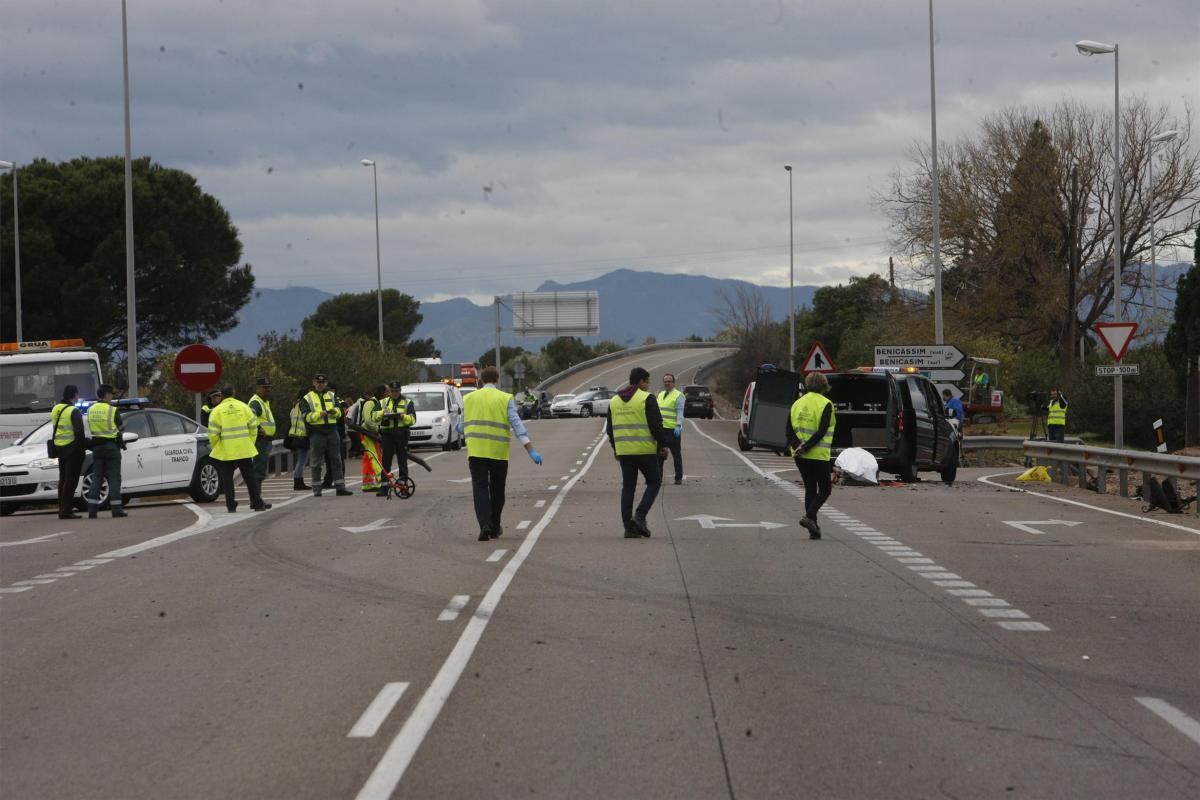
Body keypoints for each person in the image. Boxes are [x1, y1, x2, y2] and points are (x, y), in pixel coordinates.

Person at [463, 365, 542, 541]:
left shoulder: (468, 398)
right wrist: (530, 450)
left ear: (481, 380)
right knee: (497, 490)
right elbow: (516, 424)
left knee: (480, 489)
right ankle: (495, 525)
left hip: (476, 451)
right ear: (497, 380)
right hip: (498, 453)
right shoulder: (505, 398)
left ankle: (484, 525)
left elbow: (462, 425)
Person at [606, 366, 673, 538]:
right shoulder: (646, 398)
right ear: (641, 381)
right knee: (654, 482)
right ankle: (640, 515)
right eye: (647, 381)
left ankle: (628, 529)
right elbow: (656, 425)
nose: (649, 385)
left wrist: (615, 448)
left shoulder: (614, 401)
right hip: (645, 450)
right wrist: (663, 445)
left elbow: (610, 429)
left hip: (624, 452)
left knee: (628, 487)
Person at [786, 372, 836, 540]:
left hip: (799, 456)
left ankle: (812, 527)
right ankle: (809, 516)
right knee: (825, 489)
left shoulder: (797, 404)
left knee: (810, 488)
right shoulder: (826, 404)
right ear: (824, 385)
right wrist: (807, 447)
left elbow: (789, 431)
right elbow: (822, 431)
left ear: (807, 385)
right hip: (818, 455)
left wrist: (798, 447)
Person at [207, 384, 270, 513]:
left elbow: (213, 434)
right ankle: (257, 503)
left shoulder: (217, 411)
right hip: (244, 448)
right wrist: (250, 442)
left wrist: (217, 447)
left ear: (222, 395)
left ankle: (231, 505)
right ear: (234, 393)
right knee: (250, 478)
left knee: (227, 479)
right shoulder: (244, 407)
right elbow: (253, 427)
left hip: (226, 450)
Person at [301, 374, 352, 497]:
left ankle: (340, 487)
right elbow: (305, 416)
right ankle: (317, 488)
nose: (320, 384)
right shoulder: (307, 398)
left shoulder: (332, 395)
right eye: (318, 382)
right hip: (317, 432)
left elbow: (340, 412)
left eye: (322, 382)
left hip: (332, 430)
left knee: (337, 460)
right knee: (316, 462)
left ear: (326, 383)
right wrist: (320, 414)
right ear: (314, 382)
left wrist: (334, 412)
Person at [86, 384, 126, 519]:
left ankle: (92, 509)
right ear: (107, 395)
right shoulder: (112, 410)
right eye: (111, 394)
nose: (111, 397)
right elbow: (122, 427)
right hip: (111, 447)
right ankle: (116, 509)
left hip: (96, 447)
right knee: (114, 477)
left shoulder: (90, 409)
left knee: (97, 477)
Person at [51, 385, 87, 520]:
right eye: (77, 395)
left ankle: (61, 509)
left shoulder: (56, 408)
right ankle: (66, 511)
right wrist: (83, 447)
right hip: (73, 449)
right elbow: (79, 432)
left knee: (63, 480)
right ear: (75, 395)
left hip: (60, 448)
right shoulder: (74, 411)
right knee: (71, 481)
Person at [374, 382, 415, 496]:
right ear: (389, 392)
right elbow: (374, 416)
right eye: (392, 391)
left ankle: (403, 486)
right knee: (386, 461)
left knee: (402, 461)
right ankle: (384, 487)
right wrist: (383, 413)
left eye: (396, 391)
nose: (394, 393)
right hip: (387, 435)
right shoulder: (382, 403)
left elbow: (413, 419)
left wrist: (402, 416)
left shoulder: (407, 402)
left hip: (402, 434)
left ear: (400, 390)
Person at [656, 372, 685, 485]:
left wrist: (678, 425)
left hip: (673, 430)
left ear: (673, 382)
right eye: (665, 381)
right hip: (661, 429)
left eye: (669, 381)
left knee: (676, 454)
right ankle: (658, 478)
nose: (667, 383)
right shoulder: (660, 394)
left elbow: (680, 412)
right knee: (659, 455)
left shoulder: (679, 395)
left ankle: (678, 477)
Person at [247, 378, 276, 488]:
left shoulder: (264, 402)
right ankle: (256, 499)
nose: (267, 390)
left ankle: (257, 498)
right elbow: (251, 417)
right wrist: (259, 428)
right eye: (264, 388)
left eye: (269, 388)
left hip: (265, 441)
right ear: (257, 388)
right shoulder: (255, 402)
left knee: (260, 471)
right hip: (260, 440)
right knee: (258, 472)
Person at [288, 390, 311, 491]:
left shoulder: (295, 406)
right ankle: (298, 482)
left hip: (296, 435)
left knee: (301, 460)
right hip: (303, 435)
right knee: (302, 461)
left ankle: (298, 482)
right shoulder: (303, 405)